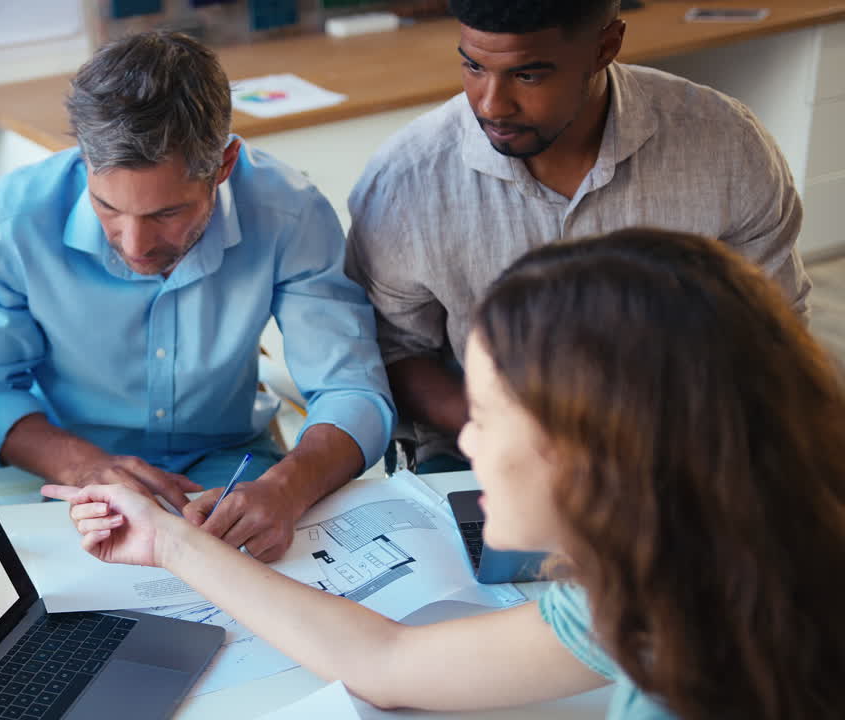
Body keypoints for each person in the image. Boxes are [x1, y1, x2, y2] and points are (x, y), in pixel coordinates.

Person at [46, 227, 845, 719]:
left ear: (597, 448)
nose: (466, 438)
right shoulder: (657, 587)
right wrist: (171, 543)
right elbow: (388, 664)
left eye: (488, 414)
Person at [0, 31, 394, 562]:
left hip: (229, 468)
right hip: (69, 475)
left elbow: (351, 387)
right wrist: (82, 466)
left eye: (166, 213)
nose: (135, 246)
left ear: (224, 165)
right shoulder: (13, 219)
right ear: (84, 159)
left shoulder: (289, 213)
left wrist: (289, 487)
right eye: (108, 207)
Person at [346, 0, 811, 470]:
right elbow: (392, 350)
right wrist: (508, 433)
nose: (491, 105)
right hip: (487, 454)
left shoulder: (728, 147)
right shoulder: (405, 181)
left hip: (686, 443)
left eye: (528, 75)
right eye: (474, 67)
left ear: (605, 47)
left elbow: (772, 331)